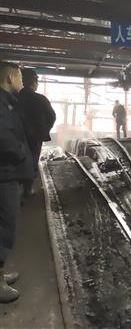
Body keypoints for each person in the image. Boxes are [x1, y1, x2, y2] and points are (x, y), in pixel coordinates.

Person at [0, 62, 34, 303]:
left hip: (8, 173)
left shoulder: (7, 102)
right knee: (4, 227)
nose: (23, 82)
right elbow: (3, 137)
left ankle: (0, 274)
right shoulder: (2, 103)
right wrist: (21, 152)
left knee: (5, 226)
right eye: (20, 77)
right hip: (5, 175)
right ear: (10, 78)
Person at [16, 68, 56, 196]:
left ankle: (16, 188)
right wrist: (42, 132)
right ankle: (27, 190)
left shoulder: (14, 97)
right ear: (34, 83)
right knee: (32, 162)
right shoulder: (40, 99)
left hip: (15, 137)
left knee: (15, 162)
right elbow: (52, 117)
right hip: (34, 139)